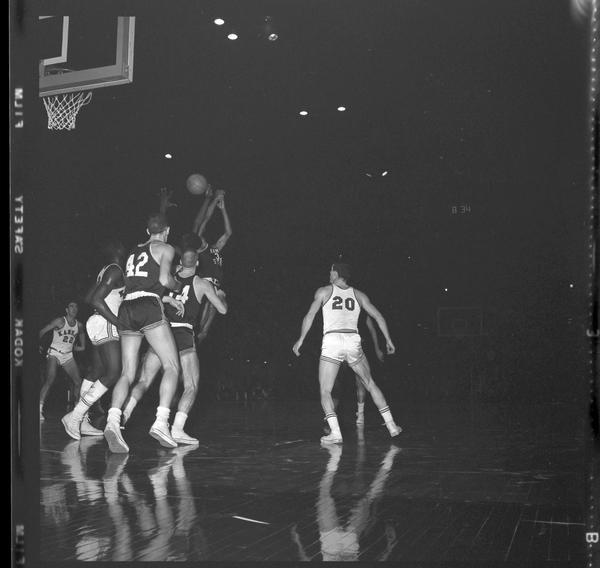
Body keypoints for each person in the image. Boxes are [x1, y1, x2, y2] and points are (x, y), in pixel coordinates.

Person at [121, 245, 228, 444]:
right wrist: (220, 296)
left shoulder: (169, 277)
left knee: (144, 380)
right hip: (183, 333)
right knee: (191, 385)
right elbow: (222, 310)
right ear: (197, 263)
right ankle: (177, 428)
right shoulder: (202, 283)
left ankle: (124, 415)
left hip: (162, 331)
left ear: (180, 262)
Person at [292, 263, 402, 444]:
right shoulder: (359, 295)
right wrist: (388, 340)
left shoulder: (324, 291)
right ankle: (391, 425)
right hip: (352, 340)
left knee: (325, 391)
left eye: (331, 271)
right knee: (370, 383)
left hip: (332, 340)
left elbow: (310, 315)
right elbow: (378, 316)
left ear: (336, 274)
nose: (329, 274)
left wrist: (301, 339)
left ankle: (335, 433)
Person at [103, 213, 182, 453]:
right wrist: (177, 286)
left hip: (127, 307)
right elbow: (164, 279)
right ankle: (161, 422)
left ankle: (113, 421)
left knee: (127, 373)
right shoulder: (166, 248)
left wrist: (164, 297)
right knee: (171, 366)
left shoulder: (133, 252)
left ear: (148, 231)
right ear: (167, 231)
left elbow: (139, 284)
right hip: (148, 306)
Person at [61, 240, 126, 440]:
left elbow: (88, 297)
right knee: (113, 372)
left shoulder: (105, 270)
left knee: (97, 371)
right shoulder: (115, 270)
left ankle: (82, 421)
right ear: (118, 251)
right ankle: (75, 416)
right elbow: (96, 300)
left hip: (96, 321)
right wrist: (118, 322)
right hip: (106, 322)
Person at [191, 187, 232, 344]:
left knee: (215, 311)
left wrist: (223, 209)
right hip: (205, 284)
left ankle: (201, 335)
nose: (201, 238)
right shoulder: (200, 248)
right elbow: (204, 220)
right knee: (200, 324)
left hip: (217, 286)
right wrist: (214, 200)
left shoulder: (215, 248)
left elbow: (228, 233)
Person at [39, 301, 91, 426]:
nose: (74, 308)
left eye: (76, 306)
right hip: (54, 353)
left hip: (68, 355)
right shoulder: (60, 321)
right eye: (71, 306)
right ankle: (38, 409)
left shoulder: (79, 325)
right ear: (66, 309)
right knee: (50, 379)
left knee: (78, 382)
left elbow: (82, 341)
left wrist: (77, 347)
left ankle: (77, 411)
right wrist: (38, 344)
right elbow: (42, 331)